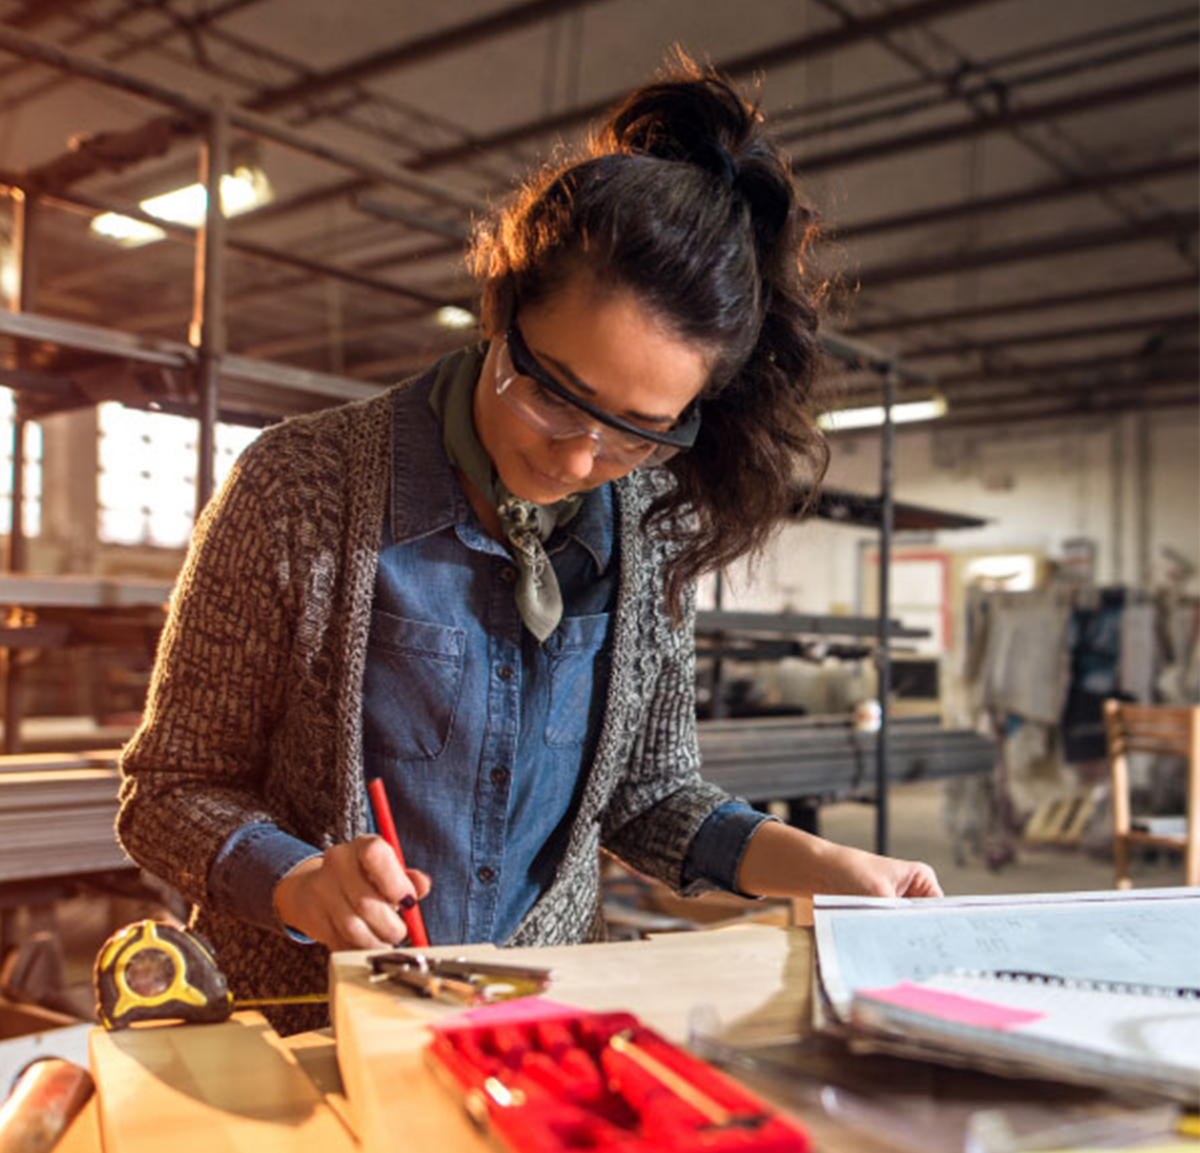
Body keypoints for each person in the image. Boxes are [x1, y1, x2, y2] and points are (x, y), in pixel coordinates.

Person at [118, 57, 940, 1032]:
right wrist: (297, 882)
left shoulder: (646, 527)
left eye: (640, 427)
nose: (584, 454)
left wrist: (817, 866)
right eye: (556, 393)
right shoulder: (302, 489)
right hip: (310, 1028)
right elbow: (168, 790)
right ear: (499, 315)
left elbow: (649, 793)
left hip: (537, 1023)